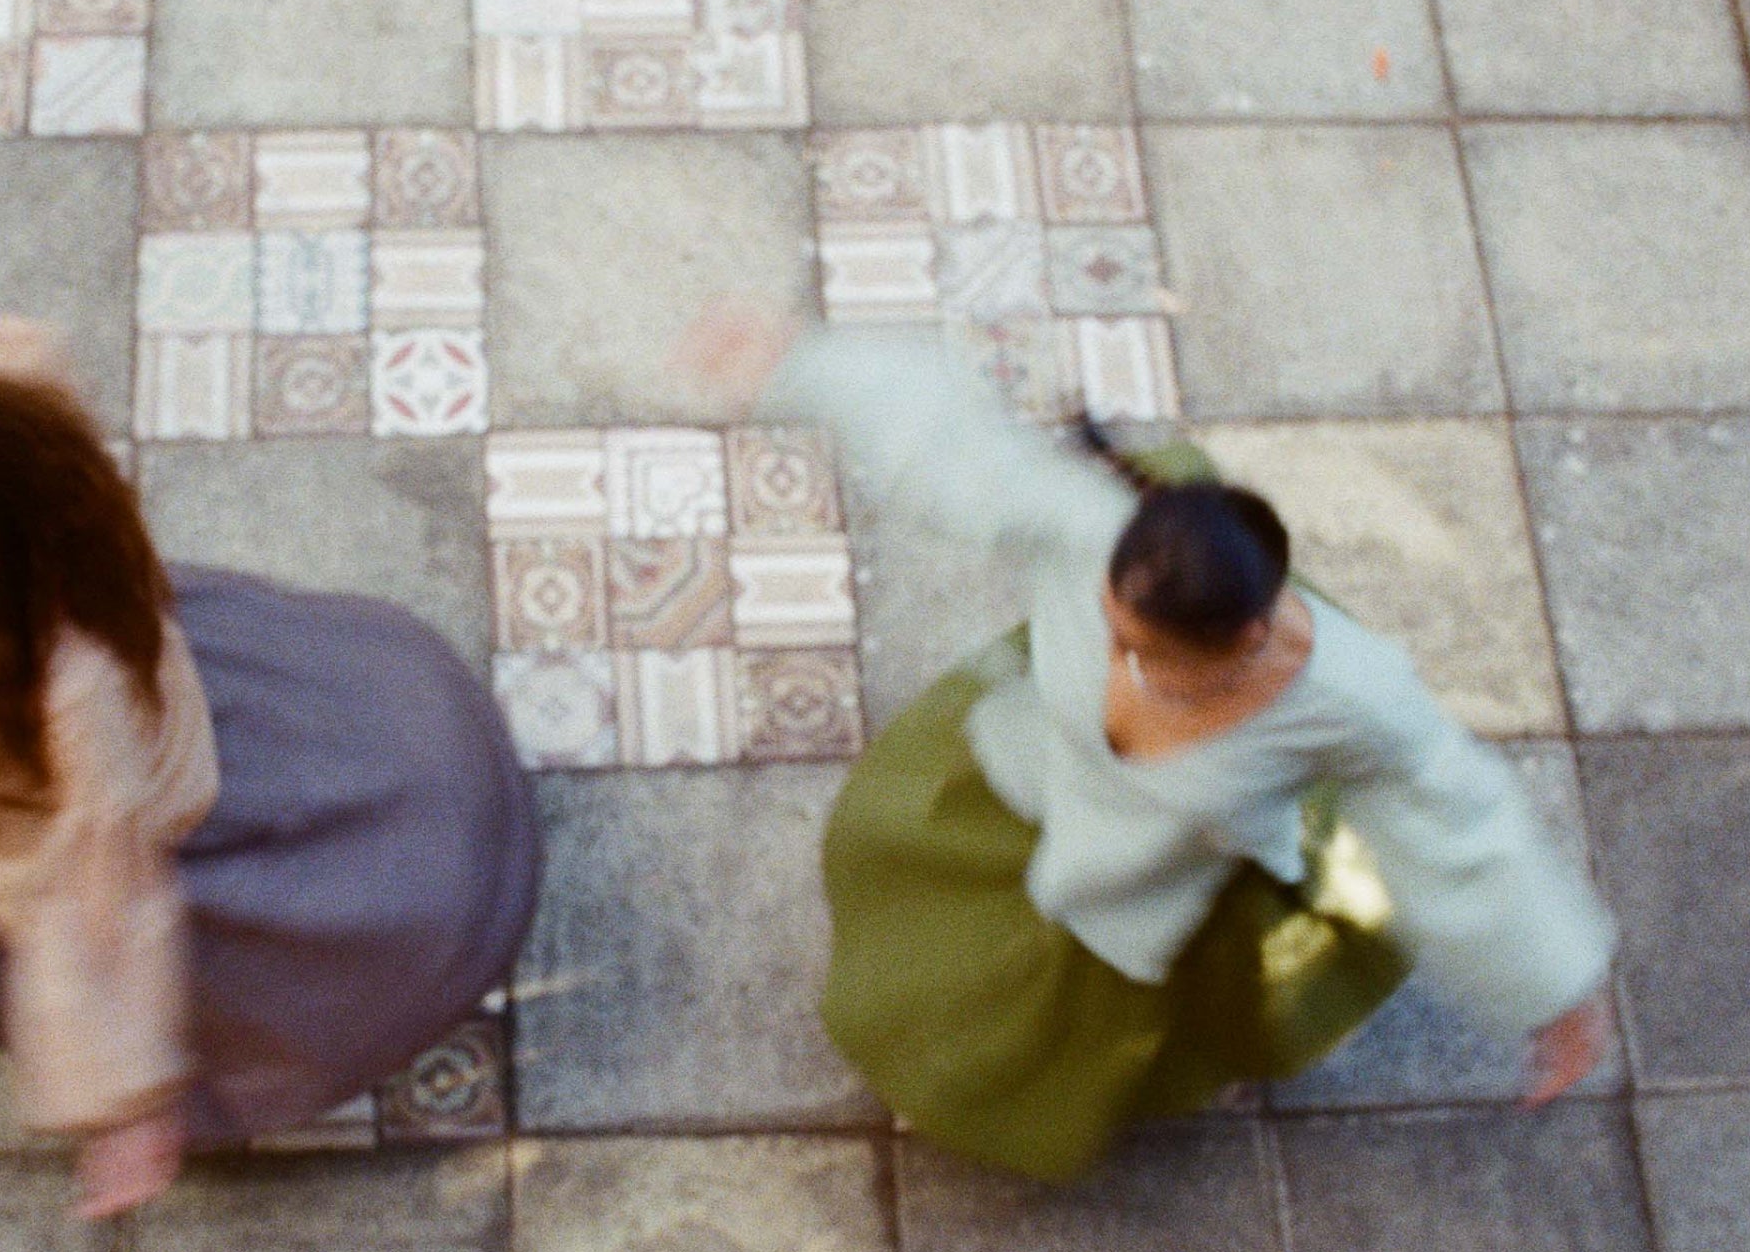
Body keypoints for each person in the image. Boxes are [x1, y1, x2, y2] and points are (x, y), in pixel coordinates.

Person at [680, 305, 1618, 1183]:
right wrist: (801, 365)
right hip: (1038, 780)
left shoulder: (1352, 697)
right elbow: (954, 450)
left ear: (1251, 635)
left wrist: (1554, 989)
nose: (1127, 676)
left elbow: (1460, 825)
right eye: (1116, 636)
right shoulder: (1094, 527)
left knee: (1051, 1029)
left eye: (1163, 663)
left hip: (1158, 876)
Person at [0, 323, 540, 1218]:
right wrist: (26, 379)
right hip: (143, 718)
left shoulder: (73, 693)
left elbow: (110, 890)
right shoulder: (51, 507)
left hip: (102, 800)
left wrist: (128, 1098)